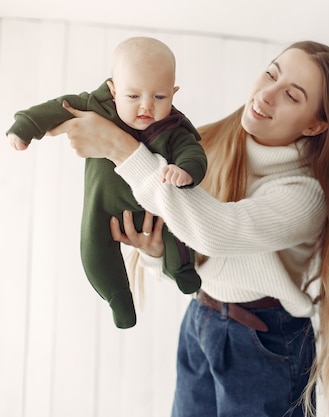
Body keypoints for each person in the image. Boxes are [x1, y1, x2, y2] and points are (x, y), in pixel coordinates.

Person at [48, 41, 329, 417]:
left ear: (315, 124)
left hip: (262, 339)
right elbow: (199, 255)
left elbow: (215, 230)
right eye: (271, 73)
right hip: (201, 319)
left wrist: (121, 149)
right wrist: (157, 254)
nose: (266, 94)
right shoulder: (211, 146)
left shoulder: (306, 196)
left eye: (291, 95)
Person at [6, 36, 207, 329]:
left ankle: (183, 270)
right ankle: (118, 298)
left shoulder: (174, 129)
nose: (146, 106)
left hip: (156, 212)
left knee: (178, 236)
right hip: (104, 207)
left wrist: (186, 171)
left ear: (173, 93)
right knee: (93, 250)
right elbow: (57, 108)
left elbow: (194, 153)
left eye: (160, 97)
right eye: (133, 96)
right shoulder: (96, 108)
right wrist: (24, 126)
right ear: (114, 90)